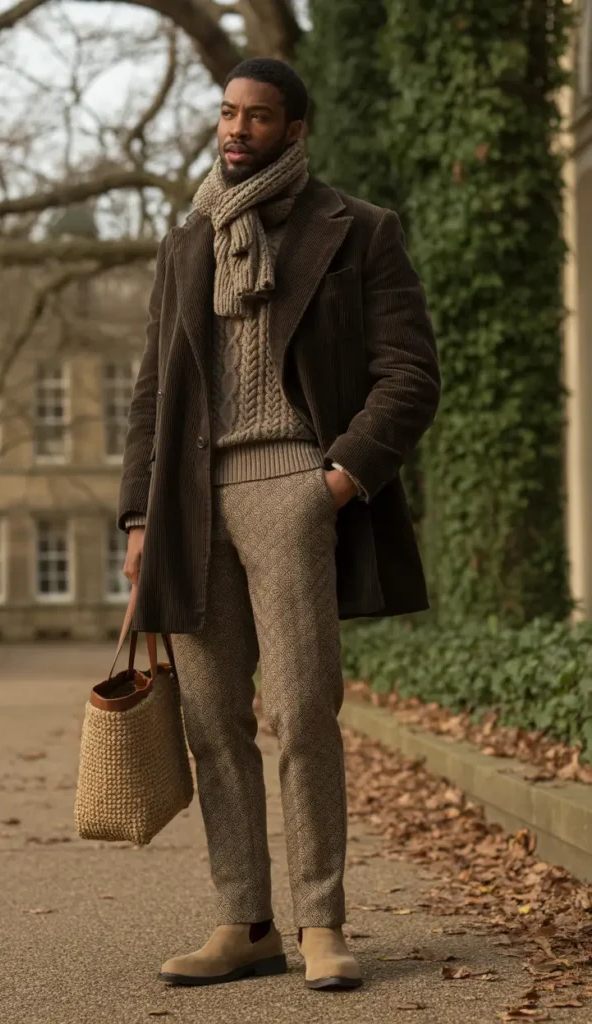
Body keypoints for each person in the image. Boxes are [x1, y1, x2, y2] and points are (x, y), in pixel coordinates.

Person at [119, 57, 440, 991]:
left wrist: (335, 479)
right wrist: (138, 514)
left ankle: (322, 924)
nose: (236, 129)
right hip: (186, 502)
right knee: (211, 718)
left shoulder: (358, 232)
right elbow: (153, 394)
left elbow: (408, 376)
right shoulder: (185, 242)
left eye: (258, 117)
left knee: (301, 712)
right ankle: (244, 920)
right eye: (226, 112)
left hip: (294, 487)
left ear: (295, 129)